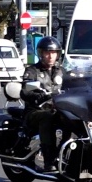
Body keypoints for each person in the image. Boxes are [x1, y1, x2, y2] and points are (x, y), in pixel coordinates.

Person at [21, 36, 64, 171]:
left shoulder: (62, 71)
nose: (50, 56)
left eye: (53, 52)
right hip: (35, 110)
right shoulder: (32, 71)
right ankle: (48, 159)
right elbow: (24, 91)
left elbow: (76, 85)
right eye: (47, 52)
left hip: (59, 109)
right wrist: (36, 95)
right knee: (47, 117)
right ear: (41, 53)